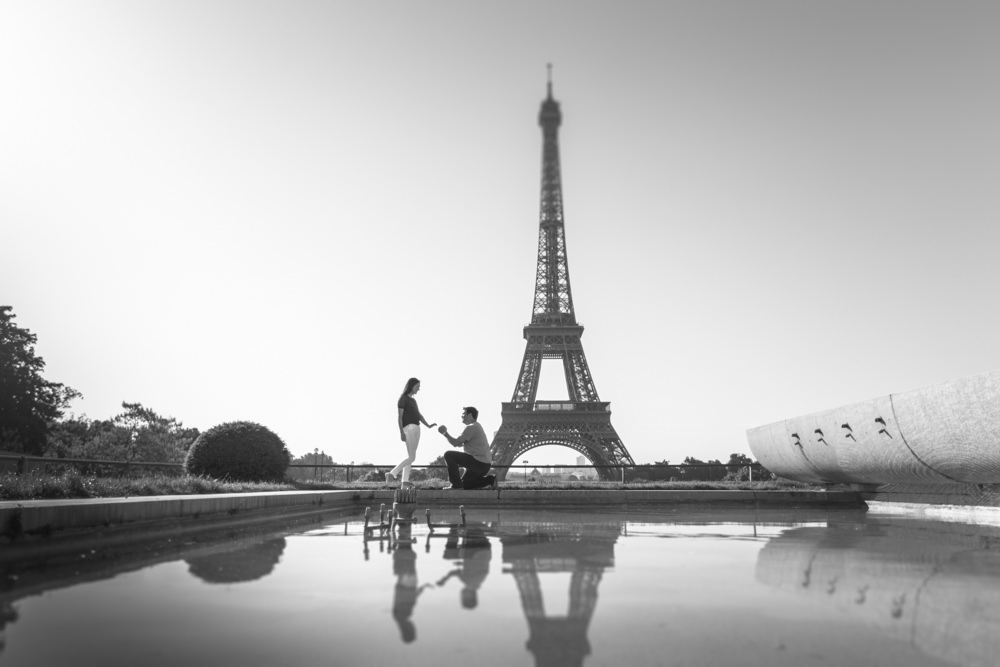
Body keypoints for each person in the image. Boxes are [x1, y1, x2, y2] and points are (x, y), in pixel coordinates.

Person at [387, 377, 436, 488]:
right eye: (417, 386)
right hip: (408, 428)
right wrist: (401, 432)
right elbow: (400, 417)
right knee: (412, 457)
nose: (418, 389)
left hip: (417, 428)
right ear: (411, 385)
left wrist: (428, 425)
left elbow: (418, 415)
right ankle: (391, 474)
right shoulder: (402, 398)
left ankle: (404, 482)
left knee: (410, 456)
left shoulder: (413, 400)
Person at [437, 406, 496, 490]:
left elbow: (455, 443)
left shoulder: (471, 427)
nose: (462, 416)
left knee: (448, 455)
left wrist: (445, 433)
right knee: (464, 484)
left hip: (478, 463)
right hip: (485, 465)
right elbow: (459, 444)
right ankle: (490, 480)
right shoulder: (477, 426)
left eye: (463, 414)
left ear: (470, 415)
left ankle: (456, 486)